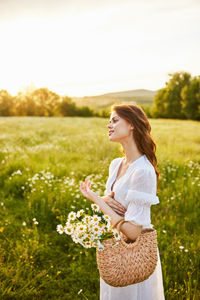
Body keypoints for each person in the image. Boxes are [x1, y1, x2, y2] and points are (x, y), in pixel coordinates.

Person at [80, 104, 165, 300]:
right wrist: (104, 201)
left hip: (135, 256)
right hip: (114, 251)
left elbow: (134, 232)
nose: (109, 125)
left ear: (132, 125)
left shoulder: (143, 170)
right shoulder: (116, 164)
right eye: (109, 121)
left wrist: (96, 199)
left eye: (115, 120)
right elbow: (113, 209)